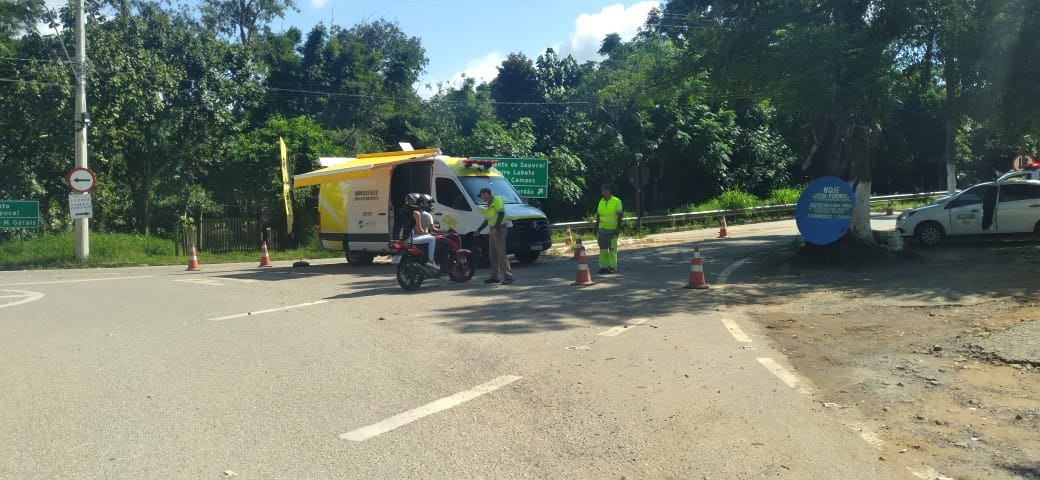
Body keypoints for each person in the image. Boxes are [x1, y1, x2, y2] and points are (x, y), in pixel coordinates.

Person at [473, 187, 513, 284]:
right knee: (492, 254)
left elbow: (501, 214)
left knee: (501, 254)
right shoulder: (488, 205)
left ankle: (508, 277)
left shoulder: (497, 200)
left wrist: (496, 227)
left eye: (482, 195)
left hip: (499, 229)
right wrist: (479, 230)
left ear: (486, 194)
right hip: (493, 230)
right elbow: (487, 220)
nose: (482, 198)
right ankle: (494, 277)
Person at [594, 184, 623, 274]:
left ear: (609, 191)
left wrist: (618, 228)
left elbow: (620, 215)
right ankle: (603, 267)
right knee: (602, 248)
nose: (604, 192)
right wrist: (596, 227)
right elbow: (598, 216)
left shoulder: (616, 201)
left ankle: (612, 267)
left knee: (612, 249)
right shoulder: (601, 201)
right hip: (602, 229)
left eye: (605, 190)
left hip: (613, 229)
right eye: (602, 191)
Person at [406, 193, 439, 269]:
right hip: (412, 238)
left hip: (405, 237)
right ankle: (431, 261)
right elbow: (420, 230)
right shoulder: (417, 213)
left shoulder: (405, 212)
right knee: (432, 239)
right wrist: (427, 233)